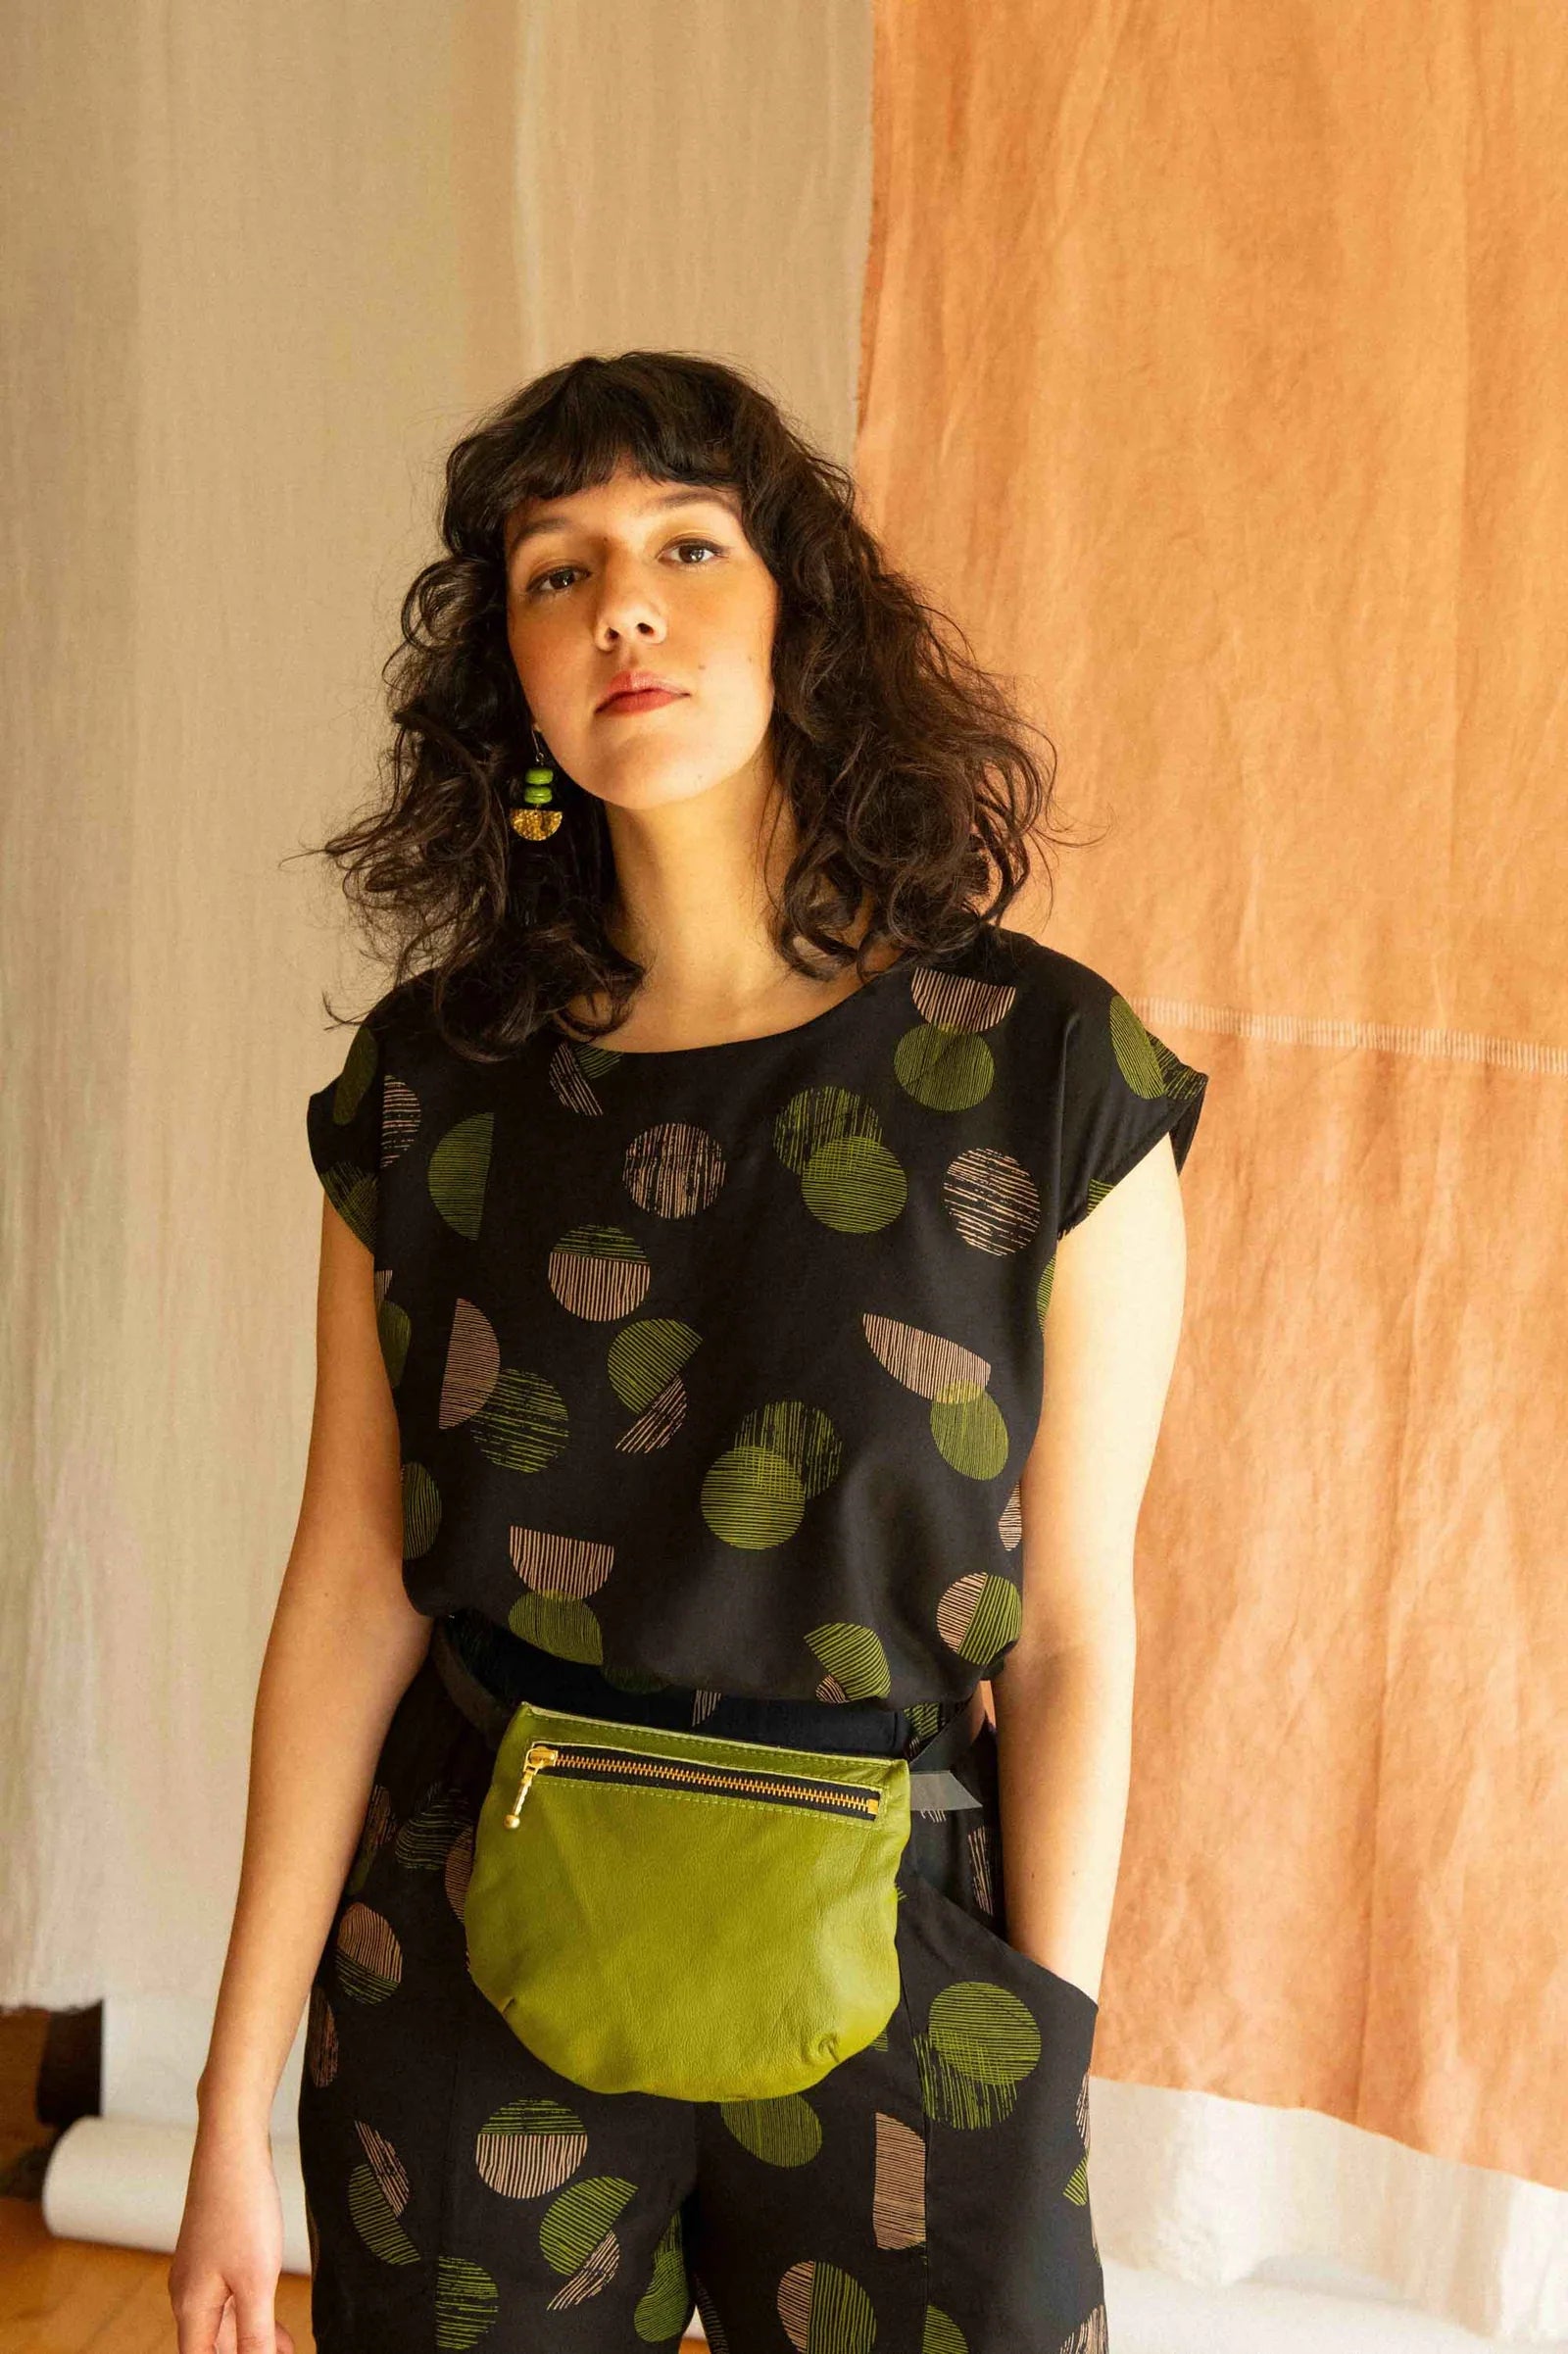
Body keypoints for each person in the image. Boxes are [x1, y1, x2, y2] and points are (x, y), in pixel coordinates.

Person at [171, 352, 1207, 2354]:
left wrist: (1044, 2053)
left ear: (803, 614)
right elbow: (352, 1585)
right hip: (470, 1941)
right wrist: (228, 2097)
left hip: (909, 1953)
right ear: (512, 686)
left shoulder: (1050, 1076)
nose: (620, 609)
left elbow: (1073, 1628)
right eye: (554, 573)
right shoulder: (429, 1087)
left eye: (685, 547)